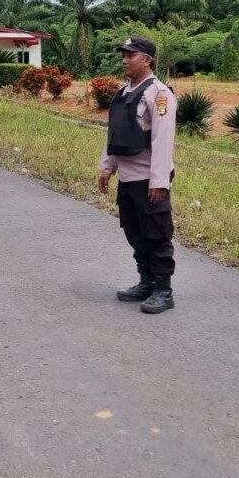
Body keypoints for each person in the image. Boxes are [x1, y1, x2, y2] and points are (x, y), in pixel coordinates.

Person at [97, 36, 177, 314]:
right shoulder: (123, 92)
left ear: (147, 59)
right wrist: (107, 167)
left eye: (130, 55)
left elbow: (163, 141)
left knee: (156, 235)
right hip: (127, 179)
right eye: (124, 55)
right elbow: (115, 133)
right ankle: (146, 282)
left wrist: (160, 182)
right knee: (135, 233)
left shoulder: (159, 94)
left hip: (148, 180)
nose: (124, 60)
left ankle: (163, 290)